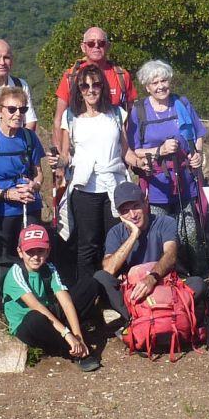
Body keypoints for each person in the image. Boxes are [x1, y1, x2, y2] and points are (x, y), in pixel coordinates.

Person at [0, 86, 55, 311]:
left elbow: (39, 172)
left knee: (34, 256)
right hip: (1, 213)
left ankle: (37, 304)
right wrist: (6, 194)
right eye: (12, 109)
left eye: (22, 109)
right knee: (2, 259)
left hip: (30, 207)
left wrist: (35, 185)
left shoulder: (29, 138)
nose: (18, 114)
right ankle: (0, 307)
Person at [58, 64, 137, 285]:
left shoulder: (116, 114)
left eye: (96, 84)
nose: (91, 90)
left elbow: (125, 151)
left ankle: (115, 292)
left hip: (114, 187)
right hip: (85, 189)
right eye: (85, 86)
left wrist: (143, 163)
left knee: (114, 243)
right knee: (87, 245)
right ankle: (87, 295)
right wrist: (57, 161)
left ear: (103, 86)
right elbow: (66, 155)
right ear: (79, 90)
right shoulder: (70, 117)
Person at [94, 182, 207, 325]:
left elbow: (170, 255)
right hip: (133, 291)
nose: (132, 215)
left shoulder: (165, 222)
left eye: (136, 206)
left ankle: (141, 316)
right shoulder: (115, 232)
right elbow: (109, 269)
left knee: (198, 283)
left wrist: (151, 279)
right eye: (125, 211)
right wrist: (133, 235)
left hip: (162, 284)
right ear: (119, 215)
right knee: (100, 277)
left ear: (145, 203)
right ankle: (138, 317)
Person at [2, 224, 100, 372]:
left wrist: (77, 335)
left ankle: (76, 341)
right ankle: (72, 350)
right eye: (30, 252)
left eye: (40, 251)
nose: (35, 256)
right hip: (28, 323)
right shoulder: (16, 273)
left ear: (48, 251)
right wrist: (67, 334)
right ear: (20, 252)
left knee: (90, 285)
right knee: (36, 318)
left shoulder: (49, 267)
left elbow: (65, 301)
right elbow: (37, 307)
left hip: (49, 314)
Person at [125, 59, 206, 217]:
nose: (160, 86)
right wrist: (160, 150)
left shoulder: (182, 104)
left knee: (189, 234)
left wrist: (198, 154)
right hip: (156, 185)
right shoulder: (138, 111)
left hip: (186, 181)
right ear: (147, 87)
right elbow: (134, 150)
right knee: (162, 233)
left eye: (163, 80)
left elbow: (198, 134)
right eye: (154, 83)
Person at [51, 26, 137, 155]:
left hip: (113, 153)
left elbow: (131, 115)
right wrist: (60, 152)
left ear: (107, 46)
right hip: (80, 153)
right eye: (91, 43)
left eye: (101, 43)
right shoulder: (71, 76)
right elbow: (59, 118)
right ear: (83, 47)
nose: (96, 46)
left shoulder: (122, 76)